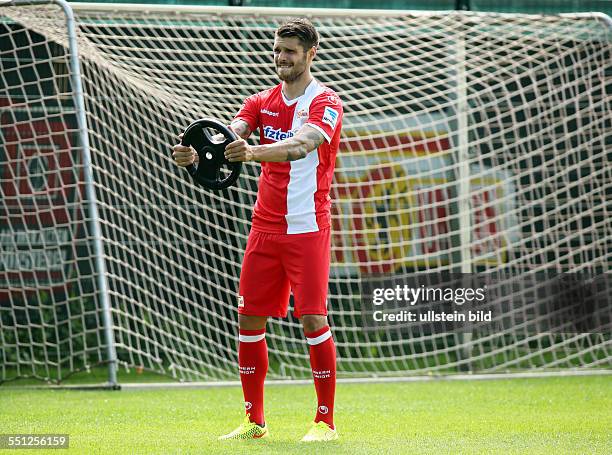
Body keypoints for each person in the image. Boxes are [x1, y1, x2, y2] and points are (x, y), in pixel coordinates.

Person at [172, 18, 343, 442]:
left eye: (290, 51)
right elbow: (229, 141)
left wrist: (251, 152)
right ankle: (254, 421)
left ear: (310, 54)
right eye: (278, 50)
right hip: (264, 229)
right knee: (248, 319)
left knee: (312, 320)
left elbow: (301, 145)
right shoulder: (259, 102)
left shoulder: (326, 102)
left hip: (307, 227)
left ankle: (325, 423)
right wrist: (196, 157)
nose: (281, 58)